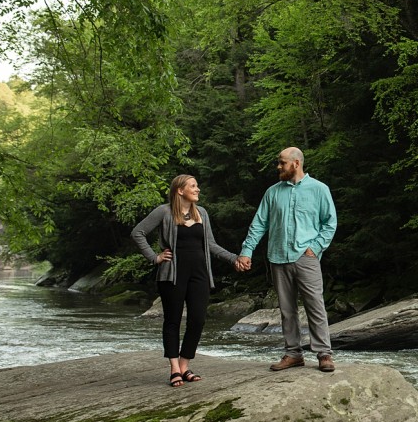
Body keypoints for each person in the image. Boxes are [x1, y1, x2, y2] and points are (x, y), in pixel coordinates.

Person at [132, 174, 242, 387]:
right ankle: (174, 369)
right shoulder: (164, 211)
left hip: (199, 274)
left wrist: (234, 259)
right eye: (193, 186)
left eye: (197, 185)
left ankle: (185, 365)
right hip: (172, 274)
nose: (198, 189)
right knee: (172, 320)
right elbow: (138, 233)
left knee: (198, 320)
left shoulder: (202, 213)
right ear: (180, 190)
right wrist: (154, 258)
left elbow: (211, 244)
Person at [236, 146, 337, 372]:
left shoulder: (319, 189)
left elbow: (330, 223)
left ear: (296, 163)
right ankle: (293, 354)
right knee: (286, 309)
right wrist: (247, 251)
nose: (278, 166)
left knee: (315, 305)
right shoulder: (272, 192)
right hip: (278, 257)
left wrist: (315, 248)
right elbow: (259, 224)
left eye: (282, 162)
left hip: (306, 257)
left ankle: (324, 354)